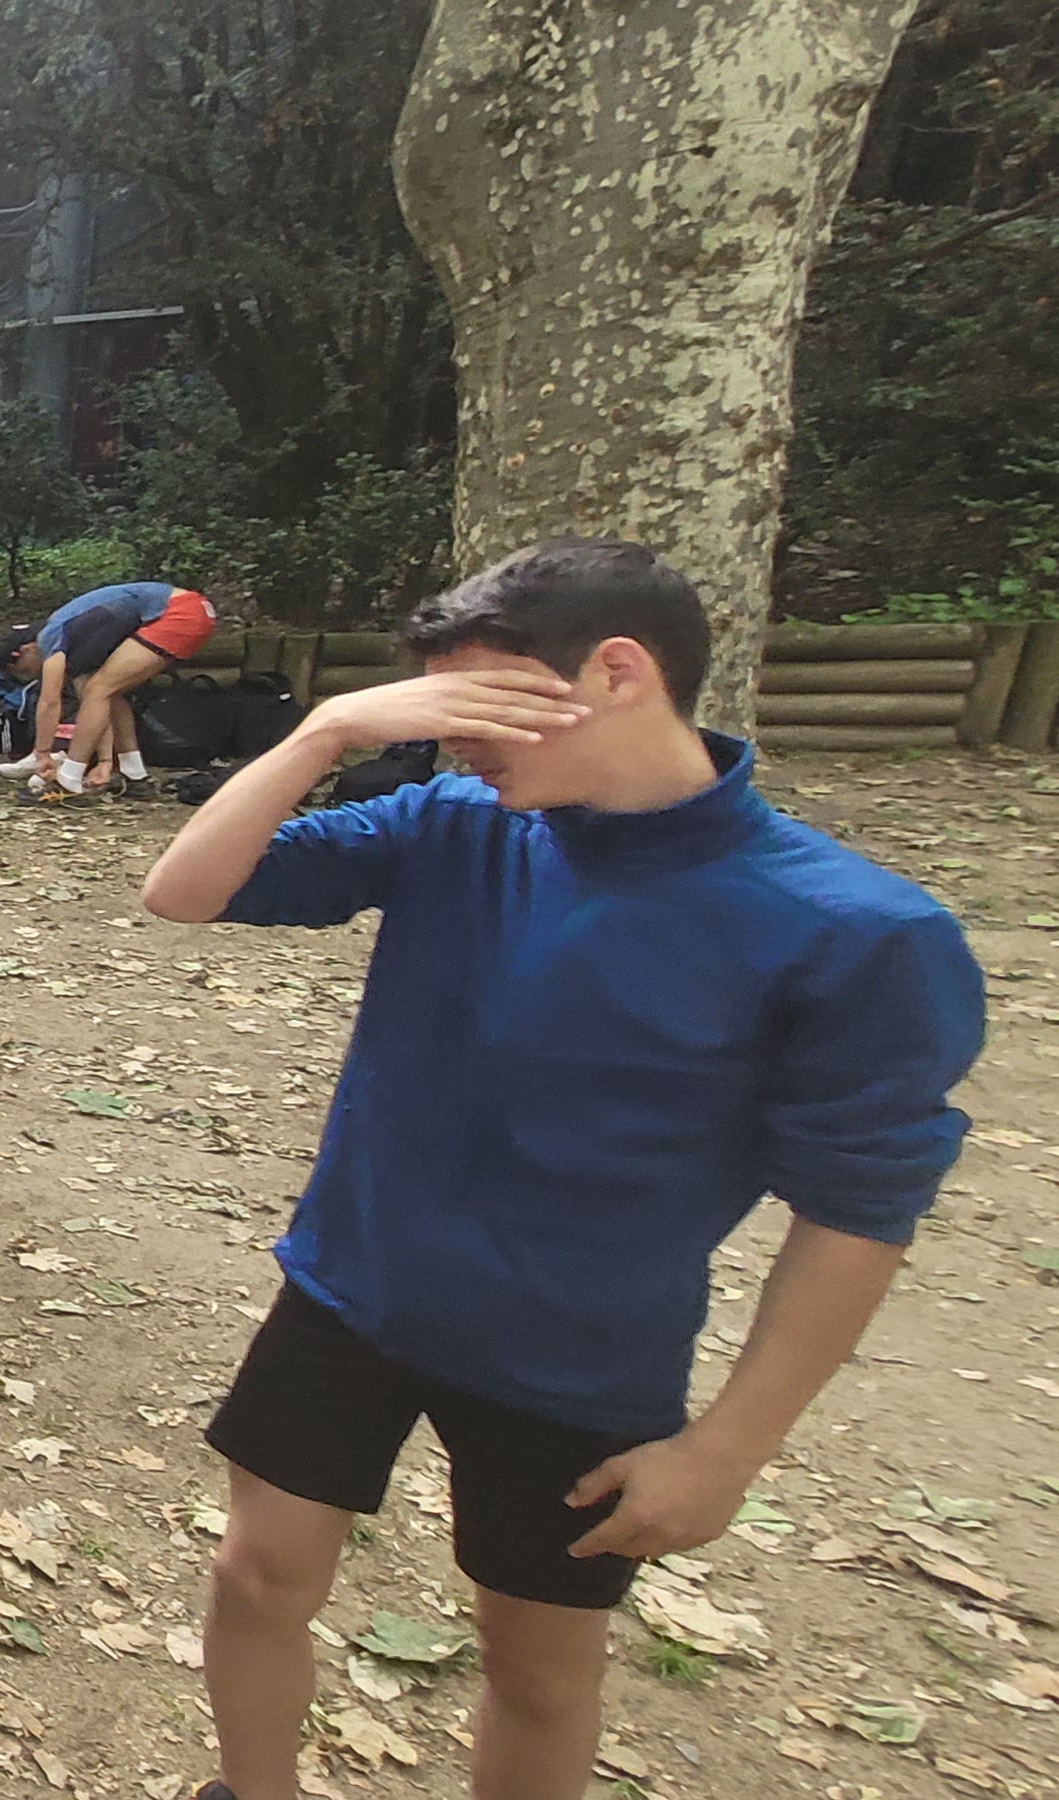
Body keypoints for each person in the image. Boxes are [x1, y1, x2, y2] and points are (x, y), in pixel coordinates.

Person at [138, 540, 982, 1800]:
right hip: (352, 1291)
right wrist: (320, 734)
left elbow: (858, 1210)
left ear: (619, 671)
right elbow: (184, 889)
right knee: (258, 1575)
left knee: (536, 1667)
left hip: (578, 1358)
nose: (451, 741)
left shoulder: (855, 932)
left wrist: (726, 1450)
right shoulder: (451, 826)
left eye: (477, 707)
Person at [0, 579, 214, 795]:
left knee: (98, 689)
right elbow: (101, 709)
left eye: (21, 670)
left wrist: (42, 754)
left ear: (26, 650)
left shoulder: (50, 635)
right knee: (103, 690)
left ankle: (69, 779)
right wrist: (104, 761)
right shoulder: (82, 646)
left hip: (179, 611)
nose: (29, 676)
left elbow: (49, 701)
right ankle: (134, 774)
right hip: (190, 611)